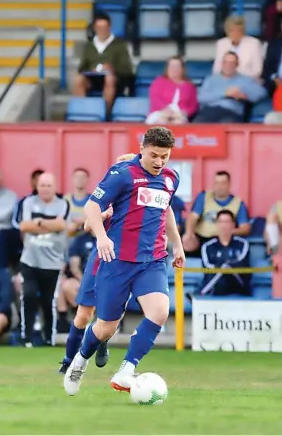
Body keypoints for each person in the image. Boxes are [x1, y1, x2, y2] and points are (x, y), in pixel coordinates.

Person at [64, 127, 185, 396]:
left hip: (151, 260)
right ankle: (80, 360)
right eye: (154, 155)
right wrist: (102, 237)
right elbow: (92, 207)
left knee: (160, 312)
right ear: (142, 148)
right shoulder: (122, 174)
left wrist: (177, 244)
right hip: (117, 260)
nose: (159, 162)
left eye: (164, 157)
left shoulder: (170, 178)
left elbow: (166, 211)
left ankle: (127, 369)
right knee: (106, 326)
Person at [59, 153, 137, 375]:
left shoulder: (139, 201)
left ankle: (102, 340)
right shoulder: (106, 195)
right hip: (101, 259)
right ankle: (67, 362)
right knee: (83, 314)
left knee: (110, 314)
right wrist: (103, 216)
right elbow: (86, 226)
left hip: (125, 261)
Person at [18, 172, 71, 347]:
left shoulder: (63, 204)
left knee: (49, 301)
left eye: (48, 185)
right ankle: (27, 337)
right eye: (42, 185)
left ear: (54, 187)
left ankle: (49, 337)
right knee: (29, 296)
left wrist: (38, 223)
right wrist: (50, 225)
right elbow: (24, 225)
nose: (45, 189)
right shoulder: (28, 202)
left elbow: (62, 225)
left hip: (52, 262)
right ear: (37, 187)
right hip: (30, 260)